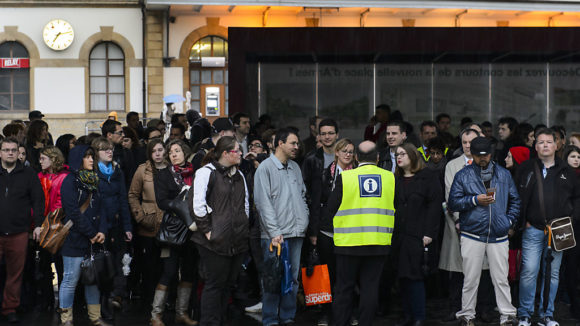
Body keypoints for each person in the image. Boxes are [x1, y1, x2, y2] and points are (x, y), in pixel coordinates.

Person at [448, 136, 520, 326]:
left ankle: (507, 316)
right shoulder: (463, 175)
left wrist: (509, 221)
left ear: (491, 154)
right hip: (472, 233)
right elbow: (453, 202)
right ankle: (467, 315)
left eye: (486, 155)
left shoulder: (504, 174)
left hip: (498, 233)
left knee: (501, 279)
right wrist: (474, 200)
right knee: (470, 279)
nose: (483, 159)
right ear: (472, 154)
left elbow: (515, 201)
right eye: (479, 155)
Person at [515, 128, 580, 326]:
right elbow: (516, 196)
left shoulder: (566, 171)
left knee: (552, 274)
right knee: (529, 271)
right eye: (541, 142)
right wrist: (523, 219)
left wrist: (570, 220)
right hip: (533, 228)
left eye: (549, 142)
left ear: (556, 145)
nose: (545, 145)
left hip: (559, 230)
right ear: (535, 146)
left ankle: (547, 315)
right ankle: (525, 314)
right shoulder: (525, 168)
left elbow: (577, 199)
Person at [327, 140, 395, 326]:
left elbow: (330, 209)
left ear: (356, 157)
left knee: (344, 289)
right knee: (370, 288)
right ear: (378, 158)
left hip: (348, 243)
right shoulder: (390, 177)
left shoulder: (347, 178)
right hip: (379, 243)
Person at [192, 136, 249, 325]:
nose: (241, 153)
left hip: (237, 240)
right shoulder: (206, 172)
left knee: (228, 285)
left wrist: (242, 226)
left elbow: (245, 205)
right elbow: (198, 206)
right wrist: (209, 232)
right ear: (225, 153)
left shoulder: (239, 175)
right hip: (213, 241)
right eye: (237, 150)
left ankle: (221, 321)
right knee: (214, 285)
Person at [254, 128, 309, 326]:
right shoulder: (265, 168)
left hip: (296, 232)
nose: (297, 147)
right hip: (275, 235)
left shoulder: (294, 167)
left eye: (297, 143)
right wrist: (275, 232)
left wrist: (305, 219)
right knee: (273, 279)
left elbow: (302, 195)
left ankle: (287, 317)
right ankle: (270, 319)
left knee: (292, 279)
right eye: (293, 143)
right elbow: (262, 203)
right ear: (280, 144)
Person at [59, 145, 110, 326]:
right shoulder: (69, 182)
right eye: (87, 157)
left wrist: (102, 231)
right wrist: (91, 233)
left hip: (94, 239)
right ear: (78, 159)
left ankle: (95, 318)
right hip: (74, 239)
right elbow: (73, 212)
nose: (91, 160)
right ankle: (66, 319)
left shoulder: (95, 180)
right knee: (70, 279)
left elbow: (103, 209)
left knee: (92, 280)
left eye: (92, 157)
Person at [393, 143, 442, 326]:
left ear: (413, 156)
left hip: (419, 235)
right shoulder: (395, 178)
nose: (399, 157)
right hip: (399, 235)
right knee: (403, 277)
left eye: (403, 154)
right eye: (397, 154)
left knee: (415, 276)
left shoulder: (428, 177)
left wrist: (429, 232)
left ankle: (419, 317)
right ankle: (407, 316)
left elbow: (435, 206)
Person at [309, 138, 356, 325]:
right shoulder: (324, 174)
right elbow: (315, 203)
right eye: (344, 151)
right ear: (336, 152)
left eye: (351, 151)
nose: (347, 154)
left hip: (352, 231)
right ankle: (327, 313)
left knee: (348, 276)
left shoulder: (358, 174)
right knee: (327, 275)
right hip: (327, 231)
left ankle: (347, 313)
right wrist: (313, 232)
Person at [152, 139, 198, 326]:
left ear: (185, 153)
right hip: (172, 230)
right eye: (170, 152)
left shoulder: (195, 173)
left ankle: (182, 313)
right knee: (169, 272)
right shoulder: (164, 175)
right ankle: (155, 315)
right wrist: (181, 204)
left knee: (188, 271)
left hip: (193, 230)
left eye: (177, 151)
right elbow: (162, 201)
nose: (173, 155)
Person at [0, 137, 44, 323]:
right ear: (0, 152)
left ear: (19, 153)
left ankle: (9, 309)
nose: (10, 152)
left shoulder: (28, 173)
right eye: (6, 149)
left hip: (19, 232)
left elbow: (38, 200)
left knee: (15, 274)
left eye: (13, 150)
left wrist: (39, 225)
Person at [439, 128, 480, 322]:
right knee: (457, 271)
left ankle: (481, 309)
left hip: (480, 224)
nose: (467, 146)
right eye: (464, 142)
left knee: (481, 270)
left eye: (471, 142)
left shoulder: (488, 164)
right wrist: (459, 220)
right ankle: (455, 307)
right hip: (457, 224)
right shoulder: (452, 165)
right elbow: (450, 195)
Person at [91, 137, 133, 315]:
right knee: (101, 266)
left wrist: (127, 226)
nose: (110, 152)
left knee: (119, 262)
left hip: (116, 223)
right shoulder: (91, 173)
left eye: (111, 149)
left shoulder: (117, 171)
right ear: (96, 153)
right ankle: (100, 302)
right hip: (98, 226)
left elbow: (123, 199)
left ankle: (117, 297)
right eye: (104, 149)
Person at [128, 139, 167, 306]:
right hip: (148, 223)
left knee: (165, 265)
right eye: (154, 151)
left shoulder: (171, 169)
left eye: (160, 150)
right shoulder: (142, 170)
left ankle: (163, 301)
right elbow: (133, 195)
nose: (157, 153)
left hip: (167, 224)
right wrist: (140, 216)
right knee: (148, 265)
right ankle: (147, 300)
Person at [303, 119, 340, 241]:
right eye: (323, 134)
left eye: (330, 133)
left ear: (337, 135)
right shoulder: (311, 158)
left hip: (343, 214)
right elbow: (305, 189)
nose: (327, 137)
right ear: (318, 136)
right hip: (319, 215)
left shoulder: (346, 156)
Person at [561, 145, 580, 319]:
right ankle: (573, 304)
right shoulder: (560, 176)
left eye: (578, 157)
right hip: (566, 227)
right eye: (573, 156)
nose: (576, 159)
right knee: (569, 268)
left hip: (578, 227)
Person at [102, 119, 136, 187]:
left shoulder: (126, 153)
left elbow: (130, 177)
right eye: (120, 133)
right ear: (109, 135)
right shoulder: (97, 152)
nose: (123, 135)